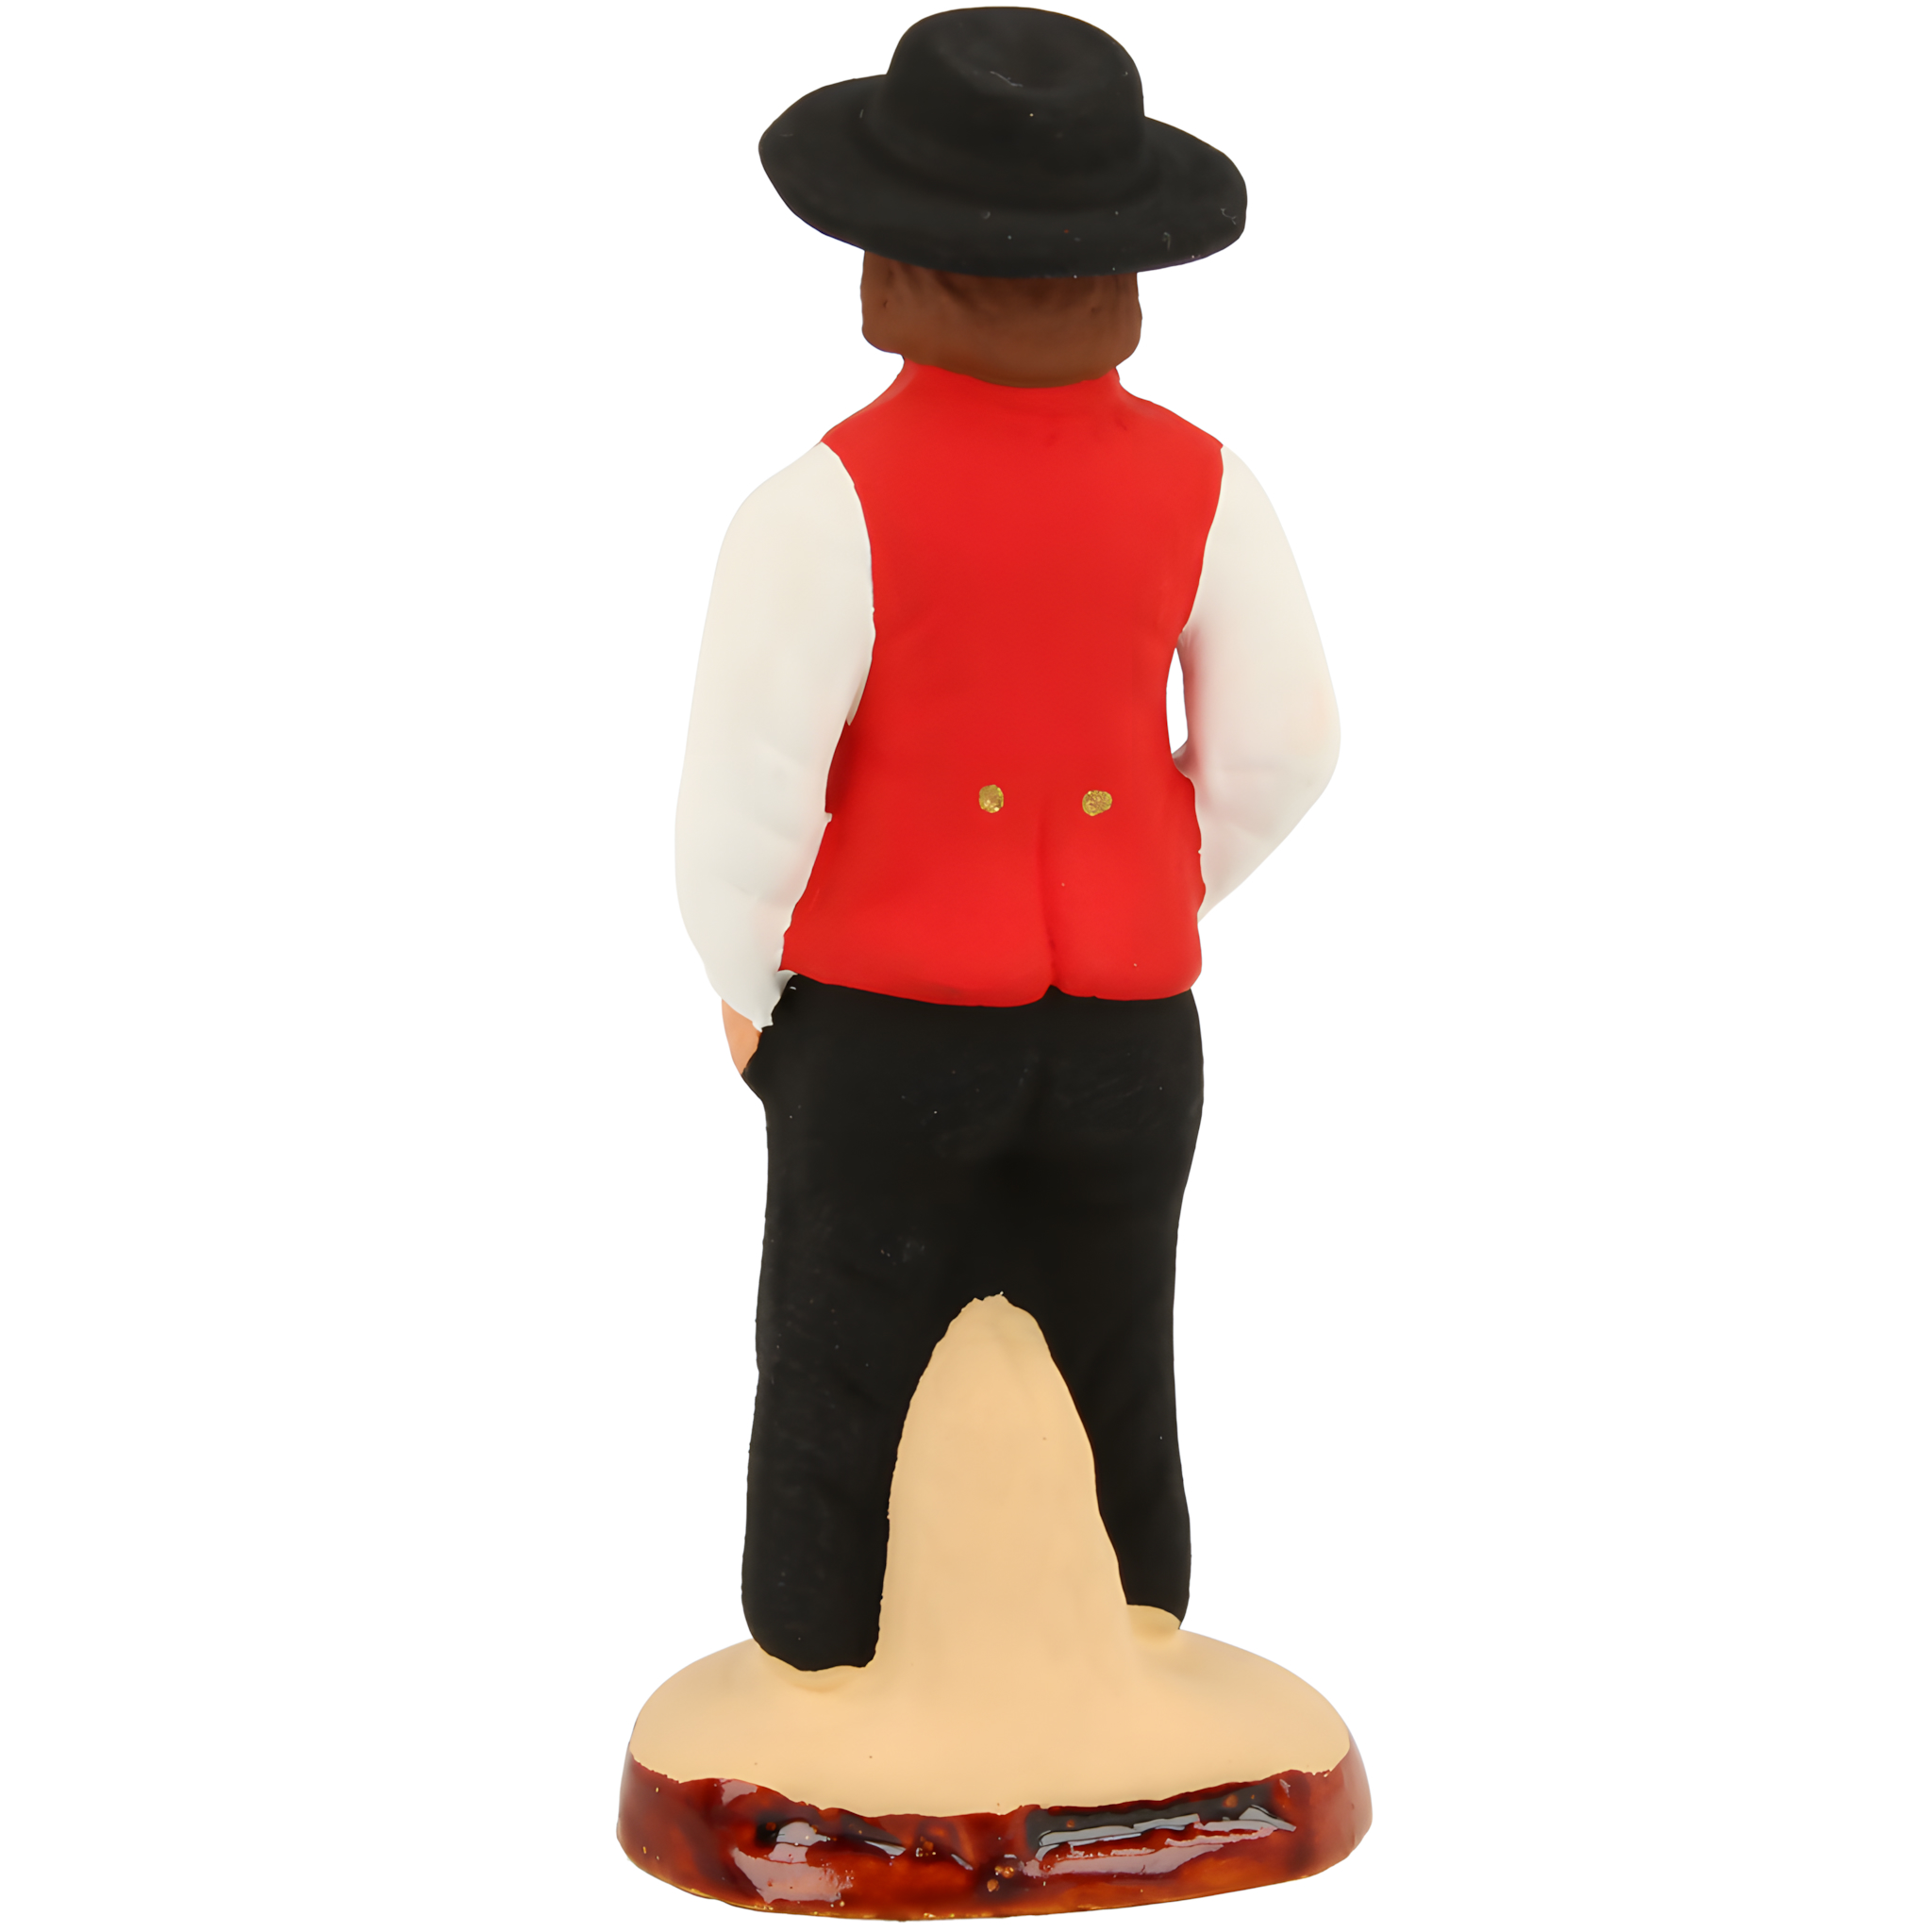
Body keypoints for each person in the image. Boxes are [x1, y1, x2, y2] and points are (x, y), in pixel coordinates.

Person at [675, 4, 1340, 1676]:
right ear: (1124, 275)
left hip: (884, 1018)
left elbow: (750, 788)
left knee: (843, 1344)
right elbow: (1286, 746)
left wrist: (748, 980)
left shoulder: (821, 500)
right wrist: (1158, 886)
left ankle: (817, 1645)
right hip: (1132, 1020)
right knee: (1117, 1339)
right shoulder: (1210, 485)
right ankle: (1134, 1629)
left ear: (888, 268)